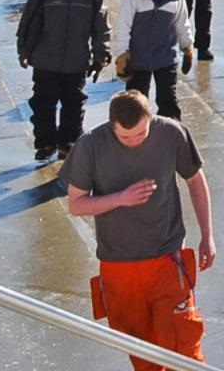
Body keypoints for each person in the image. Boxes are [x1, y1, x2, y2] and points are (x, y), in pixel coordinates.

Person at [63, 89, 215, 371]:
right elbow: (76, 204)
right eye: (124, 137)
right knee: (142, 353)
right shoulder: (90, 145)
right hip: (119, 266)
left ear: (151, 118)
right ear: (111, 125)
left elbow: (195, 180)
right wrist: (120, 199)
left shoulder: (172, 133)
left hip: (167, 260)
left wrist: (207, 236)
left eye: (141, 134)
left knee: (184, 348)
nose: (133, 142)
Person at [19, 0, 110, 166]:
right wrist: (24, 49)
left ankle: (68, 143)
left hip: (76, 61)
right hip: (45, 59)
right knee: (42, 104)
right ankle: (45, 144)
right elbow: (30, 21)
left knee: (73, 104)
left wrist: (101, 54)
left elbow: (101, 26)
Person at [115, 0, 192, 121]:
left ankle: (171, 134)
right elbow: (123, 26)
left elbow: (182, 24)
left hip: (165, 58)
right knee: (134, 103)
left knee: (168, 101)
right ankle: (134, 134)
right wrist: (122, 54)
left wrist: (187, 47)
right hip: (138, 59)